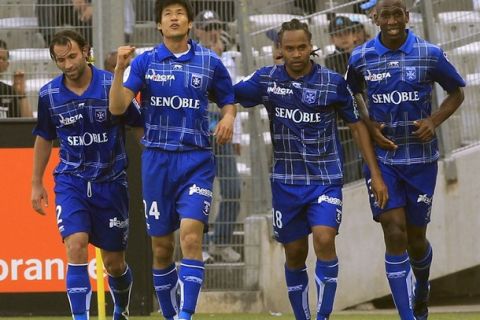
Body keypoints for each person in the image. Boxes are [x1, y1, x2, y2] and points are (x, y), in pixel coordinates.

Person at [234, 18, 388, 320]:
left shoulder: (333, 82)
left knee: (324, 238)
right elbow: (228, 93)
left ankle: (323, 316)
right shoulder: (268, 80)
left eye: (301, 47)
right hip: (286, 183)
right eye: (289, 48)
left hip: (325, 180)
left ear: (311, 46)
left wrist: (377, 175)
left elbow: (357, 127)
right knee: (294, 253)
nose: (296, 54)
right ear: (280, 49)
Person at [108, 1, 236, 319]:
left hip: (196, 160)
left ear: (190, 23)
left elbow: (228, 99)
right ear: (159, 26)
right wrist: (120, 68)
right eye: (168, 14)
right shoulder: (146, 62)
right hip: (157, 163)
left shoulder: (210, 61)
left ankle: (185, 315)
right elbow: (117, 108)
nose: (174, 17)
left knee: (191, 236)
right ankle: (169, 314)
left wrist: (228, 118)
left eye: (180, 13)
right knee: (162, 248)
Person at [346, 1, 465, 319]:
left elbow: (456, 92)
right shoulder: (360, 57)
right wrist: (370, 124)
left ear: (407, 17)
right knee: (393, 229)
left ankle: (422, 287)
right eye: (386, 14)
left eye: (398, 13)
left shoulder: (429, 53)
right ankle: (407, 316)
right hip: (385, 160)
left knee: (415, 238)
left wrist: (434, 120)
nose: (392, 20)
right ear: (375, 19)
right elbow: (351, 96)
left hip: (421, 160)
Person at [31, 30, 142, 320]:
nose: (67, 65)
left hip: (111, 182)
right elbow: (44, 137)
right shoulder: (49, 95)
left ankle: (122, 307)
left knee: (115, 264)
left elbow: (139, 125)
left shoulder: (112, 85)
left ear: (86, 51)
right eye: (60, 60)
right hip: (71, 181)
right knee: (76, 243)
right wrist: (36, 183)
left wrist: (159, 166)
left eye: (72, 56)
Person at [193, 9, 242, 263]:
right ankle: (197, 245)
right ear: (198, 30)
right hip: (198, 135)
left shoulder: (229, 56)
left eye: (216, 26)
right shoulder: (192, 55)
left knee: (233, 188)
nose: (213, 32)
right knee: (200, 193)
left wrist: (236, 136)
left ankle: (220, 242)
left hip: (221, 134)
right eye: (207, 27)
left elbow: (231, 99)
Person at [0, 39, 32, 118]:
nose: (0, 61)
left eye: (3, 59)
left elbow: (28, 121)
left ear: (7, 65)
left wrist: (21, 95)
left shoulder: (8, 91)